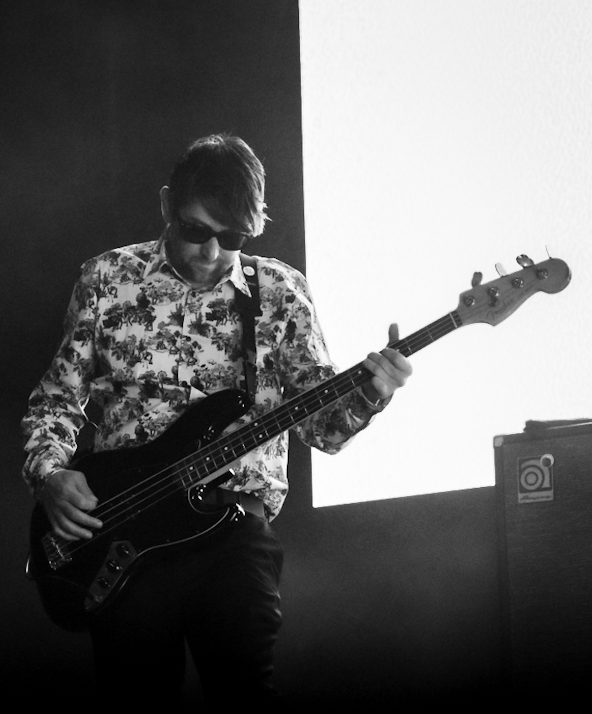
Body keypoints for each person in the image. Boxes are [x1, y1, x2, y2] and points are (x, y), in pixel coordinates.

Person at [21, 134, 412, 706]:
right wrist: (52, 474)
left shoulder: (280, 293)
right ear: (166, 205)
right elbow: (55, 401)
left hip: (232, 530)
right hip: (124, 533)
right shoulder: (106, 280)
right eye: (196, 230)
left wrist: (372, 395)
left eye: (232, 238)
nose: (211, 252)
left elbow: (321, 430)